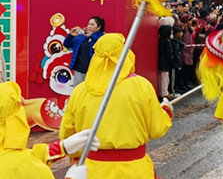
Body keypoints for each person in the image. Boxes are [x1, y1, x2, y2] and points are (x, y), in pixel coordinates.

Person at [60, 33, 173, 178]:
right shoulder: (141, 85)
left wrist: (76, 155)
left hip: (92, 170)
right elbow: (156, 129)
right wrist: (166, 111)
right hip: (134, 170)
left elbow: (68, 133)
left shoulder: (80, 91)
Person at [0, 81, 100, 179]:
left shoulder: (12, 157)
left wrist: (62, 147)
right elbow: (24, 163)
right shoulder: (19, 163)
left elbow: (29, 158)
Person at [63, 16, 105, 87]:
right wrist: (70, 35)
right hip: (79, 70)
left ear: (98, 27)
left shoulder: (102, 38)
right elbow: (66, 44)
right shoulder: (81, 36)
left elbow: (102, 45)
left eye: (92, 24)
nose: (89, 26)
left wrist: (92, 35)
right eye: (89, 24)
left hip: (94, 70)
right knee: (78, 90)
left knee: (92, 90)